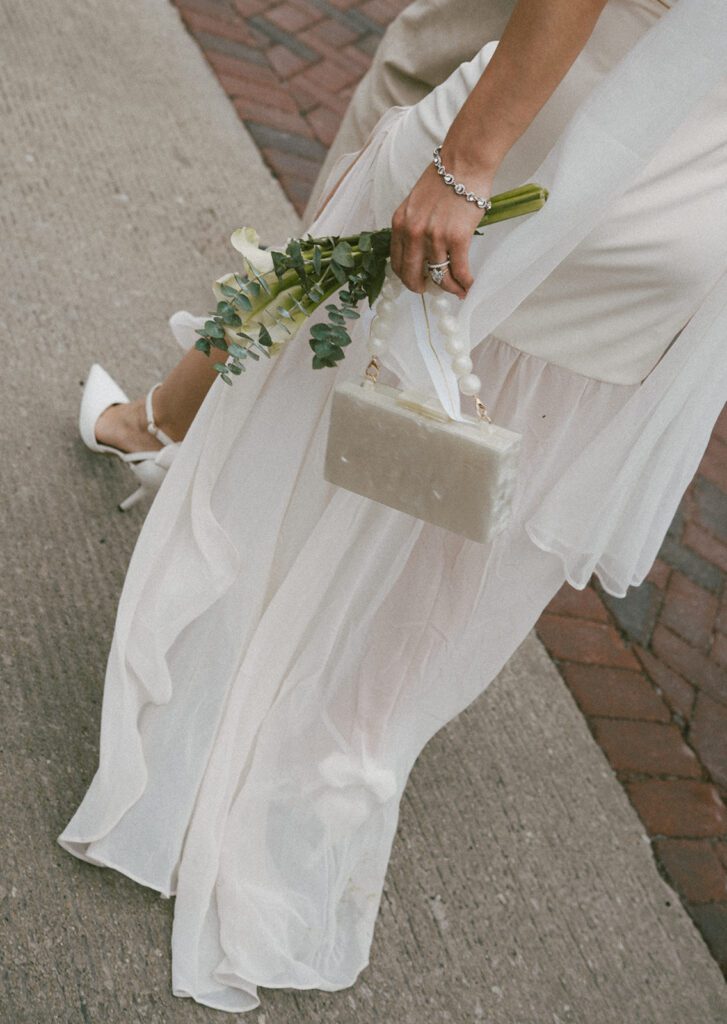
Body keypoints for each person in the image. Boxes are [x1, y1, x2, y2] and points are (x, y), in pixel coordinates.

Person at [58, 0, 727, 1014]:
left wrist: (465, 161)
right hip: (693, 218)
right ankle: (332, 776)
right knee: (478, 489)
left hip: (558, 131)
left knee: (314, 334)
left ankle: (158, 448)